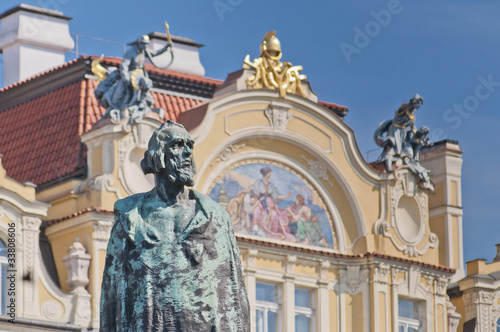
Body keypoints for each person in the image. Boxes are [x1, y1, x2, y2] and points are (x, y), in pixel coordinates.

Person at [100, 120, 250, 331]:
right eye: (178, 146)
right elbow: (111, 291)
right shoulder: (130, 216)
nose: (187, 153)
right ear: (158, 155)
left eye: (190, 146)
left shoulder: (215, 217)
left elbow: (234, 296)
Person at [94, 34, 172, 122]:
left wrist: (166, 48)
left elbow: (154, 54)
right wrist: (126, 78)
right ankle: (125, 104)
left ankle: (143, 103)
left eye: (146, 44)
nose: (145, 46)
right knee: (122, 90)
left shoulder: (144, 51)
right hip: (131, 74)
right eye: (143, 44)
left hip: (140, 74)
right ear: (139, 43)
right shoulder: (131, 53)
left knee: (146, 84)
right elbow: (124, 66)